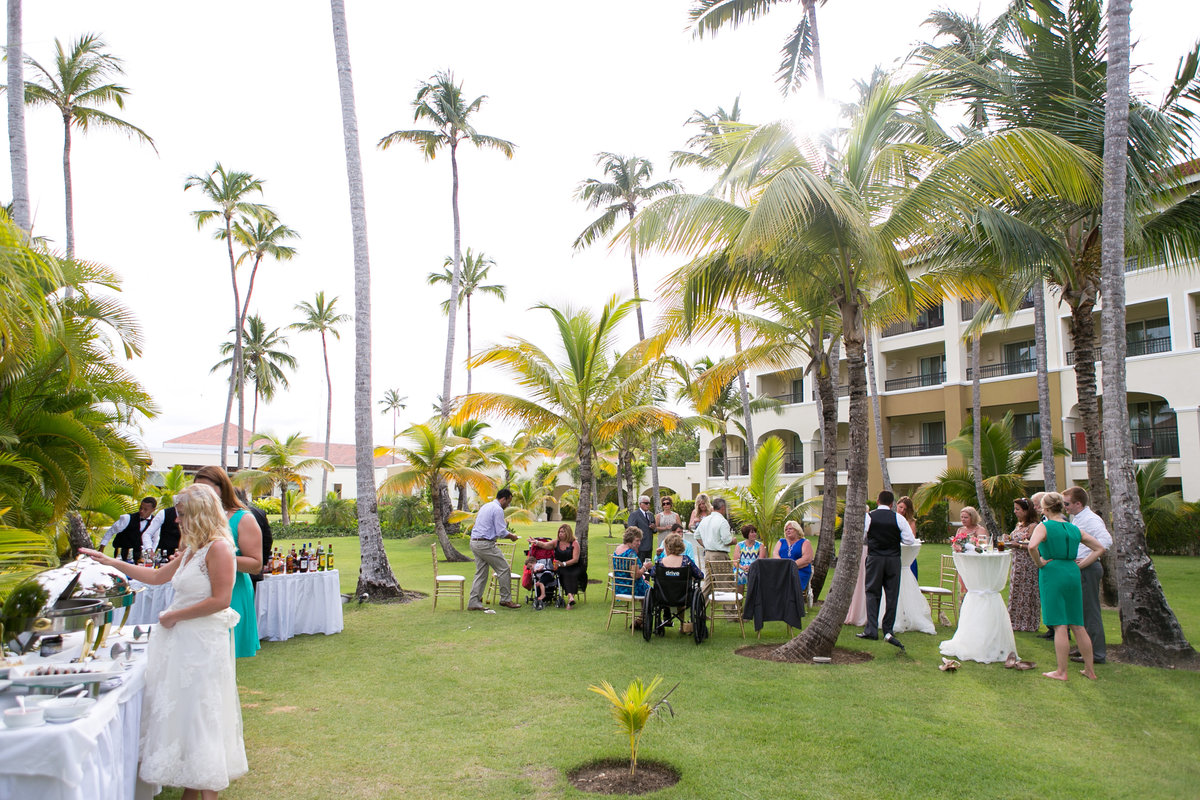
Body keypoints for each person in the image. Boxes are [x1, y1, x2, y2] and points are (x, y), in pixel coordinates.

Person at [81, 483, 248, 797]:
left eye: (181, 513)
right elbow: (157, 577)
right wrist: (111, 563)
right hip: (182, 645)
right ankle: (191, 789)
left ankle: (206, 790)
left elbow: (222, 599)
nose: (175, 520)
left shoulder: (219, 549)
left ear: (200, 513)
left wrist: (174, 616)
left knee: (201, 718)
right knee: (185, 716)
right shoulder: (192, 549)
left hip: (202, 645)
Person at [1025, 491, 1105, 681]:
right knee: (1078, 624)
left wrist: (1040, 563)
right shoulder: (1073, 528)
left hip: (1053, 572)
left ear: (1045, 508)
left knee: (1060, 624)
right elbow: (1099, 548)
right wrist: (1080, 565)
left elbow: (1031, 547)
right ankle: (1089, 670)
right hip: (1072, 571)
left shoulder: (1044, 526)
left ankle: (1061, 671)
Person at [193, 466, 262, 658]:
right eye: (198, 489)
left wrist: (218, 557)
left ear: (222, 487)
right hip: (200, 591)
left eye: (207, 488)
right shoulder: (196, 519)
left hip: (233, 592)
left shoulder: (243, 519)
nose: (202, 494)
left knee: (224, 655)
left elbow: (255, 564)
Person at [857, 490, 916, 650]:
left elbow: (862, 535)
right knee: (892, 595)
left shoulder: (869, 517)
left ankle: (871, 629)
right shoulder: (898, 518)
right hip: (893, 559)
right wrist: (895, 538)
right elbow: (910, 540)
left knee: (872, 593)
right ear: (892, 504)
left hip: (875, 558)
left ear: (877, 501)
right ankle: (888, 630)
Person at [1063, 486, 1113, 664]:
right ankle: (1086, 648)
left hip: (1088, 569)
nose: (1065, 507)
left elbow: (1106, 542)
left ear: (1078, 503)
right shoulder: (1077, 519)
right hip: (1080, 568)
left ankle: (1097, 653)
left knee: (1090, 611)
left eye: (1067, 504)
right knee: (1081, 612)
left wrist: (1085, 562)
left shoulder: (1091, 519)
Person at [468, 488, 521, 611]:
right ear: (504, 499)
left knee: (481, 573)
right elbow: (501, 531)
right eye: (508, 502)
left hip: (475, 542)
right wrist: (512, 536)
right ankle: (506, 599)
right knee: (503, 568)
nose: (508, 505)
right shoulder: (497, 509)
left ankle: (473, 602)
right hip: (485, 544)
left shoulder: (486, 506)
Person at [644, 532, 704, 632]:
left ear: (667, 547)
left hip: (663, 597)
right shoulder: (687, 561)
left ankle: (660, 624)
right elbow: (700, 575)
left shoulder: (660, 562)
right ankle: (683, 625)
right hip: (683, 597)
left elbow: (653, 574)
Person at [1008, 498, 1041, 632]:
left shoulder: (1033, 526)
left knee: (1027, 592)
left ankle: (1027, 623)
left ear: (1027, 511)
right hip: (1017, 562)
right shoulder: (1019, 525)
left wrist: (1018, 545)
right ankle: (1014, 620)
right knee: (1015, 590)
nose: (1015, 512)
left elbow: (1034, 545)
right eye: (1015, 509)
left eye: (1018, 509)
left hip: (1028, 562)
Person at [235, 488, 273, 592]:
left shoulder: (235, 515)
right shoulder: (259, 512)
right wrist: (263, 563)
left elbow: (267, 540)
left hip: (241, 566)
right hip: (253, 568)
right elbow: (267, 541)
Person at [99, 497, 158, 563]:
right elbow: (110, 531)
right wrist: (101, 549)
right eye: (140, 508)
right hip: (122, 553)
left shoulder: (155, 522)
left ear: (153, 510)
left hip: (139, 554)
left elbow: (155, 539)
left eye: (145, 509)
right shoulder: (127, 518)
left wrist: (151, 553)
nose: (141, 511)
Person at [694, 497, 733, 594]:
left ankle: (700, 606)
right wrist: (734, 541)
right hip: (719, 555)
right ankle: (730, 609)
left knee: (709, 582)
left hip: (708, 554)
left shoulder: (705, 520)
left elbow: (696, 535)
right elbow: (727, 540)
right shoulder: (722, 521)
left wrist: (707, 545)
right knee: (725, 582)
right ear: (723, 507)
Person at [774, 520, 814, 591]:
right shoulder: (781, 541)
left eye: (790, 529)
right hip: (782, 570)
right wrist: (783, 566)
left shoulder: (804, 542)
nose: (788, 531)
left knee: (788, 582)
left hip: (799, 571)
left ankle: (790, 601)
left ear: (797, 530)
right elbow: (775, 554)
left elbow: (806, 559)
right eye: (786, 529)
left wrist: (789, 566)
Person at [551, 524, 583, 608]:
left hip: (574, 566)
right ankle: (571, 598)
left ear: (568, 533)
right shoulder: (556, 542)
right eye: (559, 532)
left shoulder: (574, 543)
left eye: (563, 532)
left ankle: (570, 600)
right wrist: (536, 542)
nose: (560, 533)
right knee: (564, 574)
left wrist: (564, 563)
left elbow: (575, 559)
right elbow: (545, 545)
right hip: (561, 568)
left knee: (573, 574)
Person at [612, 528, 649, 599]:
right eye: (637, 540)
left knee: (645, 584)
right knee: (651, 591)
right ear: (630, 539)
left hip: (618, 587)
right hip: (630, 589)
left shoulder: (618, 548)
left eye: (640, 540)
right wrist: (645, 567)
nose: (639, 543)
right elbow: (635, 575)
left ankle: (644, 610)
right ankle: (645, 610)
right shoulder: (631, 554)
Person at [895, 496, 919, 580]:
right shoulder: (892, 518)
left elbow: (912, 538)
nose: (902, 510)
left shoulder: (911, 522)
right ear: (896, 505)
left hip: (906, 553)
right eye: (900, 507)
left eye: (905, 509)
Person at [629, 495, 657, 561]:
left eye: (649, 503)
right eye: (646, 503)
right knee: (638, 567)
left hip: (649, 546)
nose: (648, 505)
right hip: (639, 547)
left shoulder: (651, 515)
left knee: (647, 567)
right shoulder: (634, 515)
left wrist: (654, 528)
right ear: (640, 504)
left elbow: (655, 530)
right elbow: (631, 531)